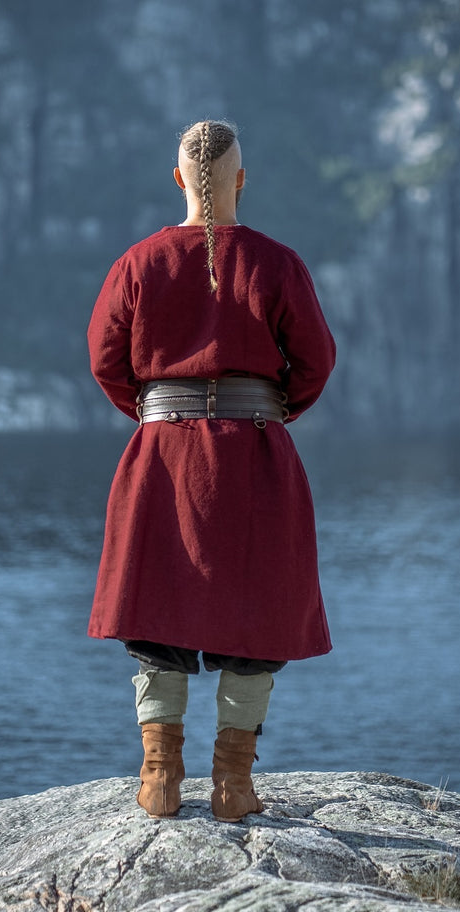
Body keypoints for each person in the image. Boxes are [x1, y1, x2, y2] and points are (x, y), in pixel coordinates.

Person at [86, 119, 336, 822]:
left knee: (156, 614)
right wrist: (274, 410)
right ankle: (233, 784)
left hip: (161, 455)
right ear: (241, 181)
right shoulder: (278, 263)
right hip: (255, 453)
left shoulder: (138, 262)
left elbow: (106, 362)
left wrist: (155, 415)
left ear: (177, 180)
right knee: (256, 617)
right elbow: (316, 361)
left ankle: (160, 778)